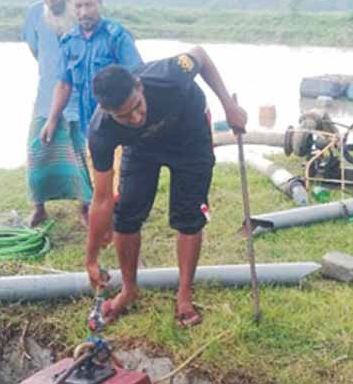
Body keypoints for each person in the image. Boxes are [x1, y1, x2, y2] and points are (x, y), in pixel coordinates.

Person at [83, 47, 247, 327]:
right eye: (124, 116)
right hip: (142, 148)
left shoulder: (169, 75)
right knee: (126, 215)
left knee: (188, 215)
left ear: (140, 86)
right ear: (109, 113)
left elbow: (202, 56)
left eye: (137, 106)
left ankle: (184, 294)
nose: (135, 118)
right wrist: (92, 257)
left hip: (190, 135)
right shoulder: (101, 132)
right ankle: (129, 289)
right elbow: (101, 199)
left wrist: (228, 107)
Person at [41, 0, 143, 176]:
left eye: (89, 5)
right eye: (78, 6)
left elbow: (139, 77)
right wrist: (52, 120)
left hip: (120, 125)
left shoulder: (117, 36)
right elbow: (64, 85)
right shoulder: (69, 41)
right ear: (71, 6)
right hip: (90, 127)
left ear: (100, 3)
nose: (84, 12)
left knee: (122, 184)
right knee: (98, 180)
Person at [21, 0, 91, 227]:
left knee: (81, 153)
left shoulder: (80, 14)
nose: (52, 1)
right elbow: (35, 48)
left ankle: (85, 207)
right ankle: (39, 207)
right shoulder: (34, 14)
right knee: (36, 149)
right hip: (45, 97)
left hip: (78, 100)